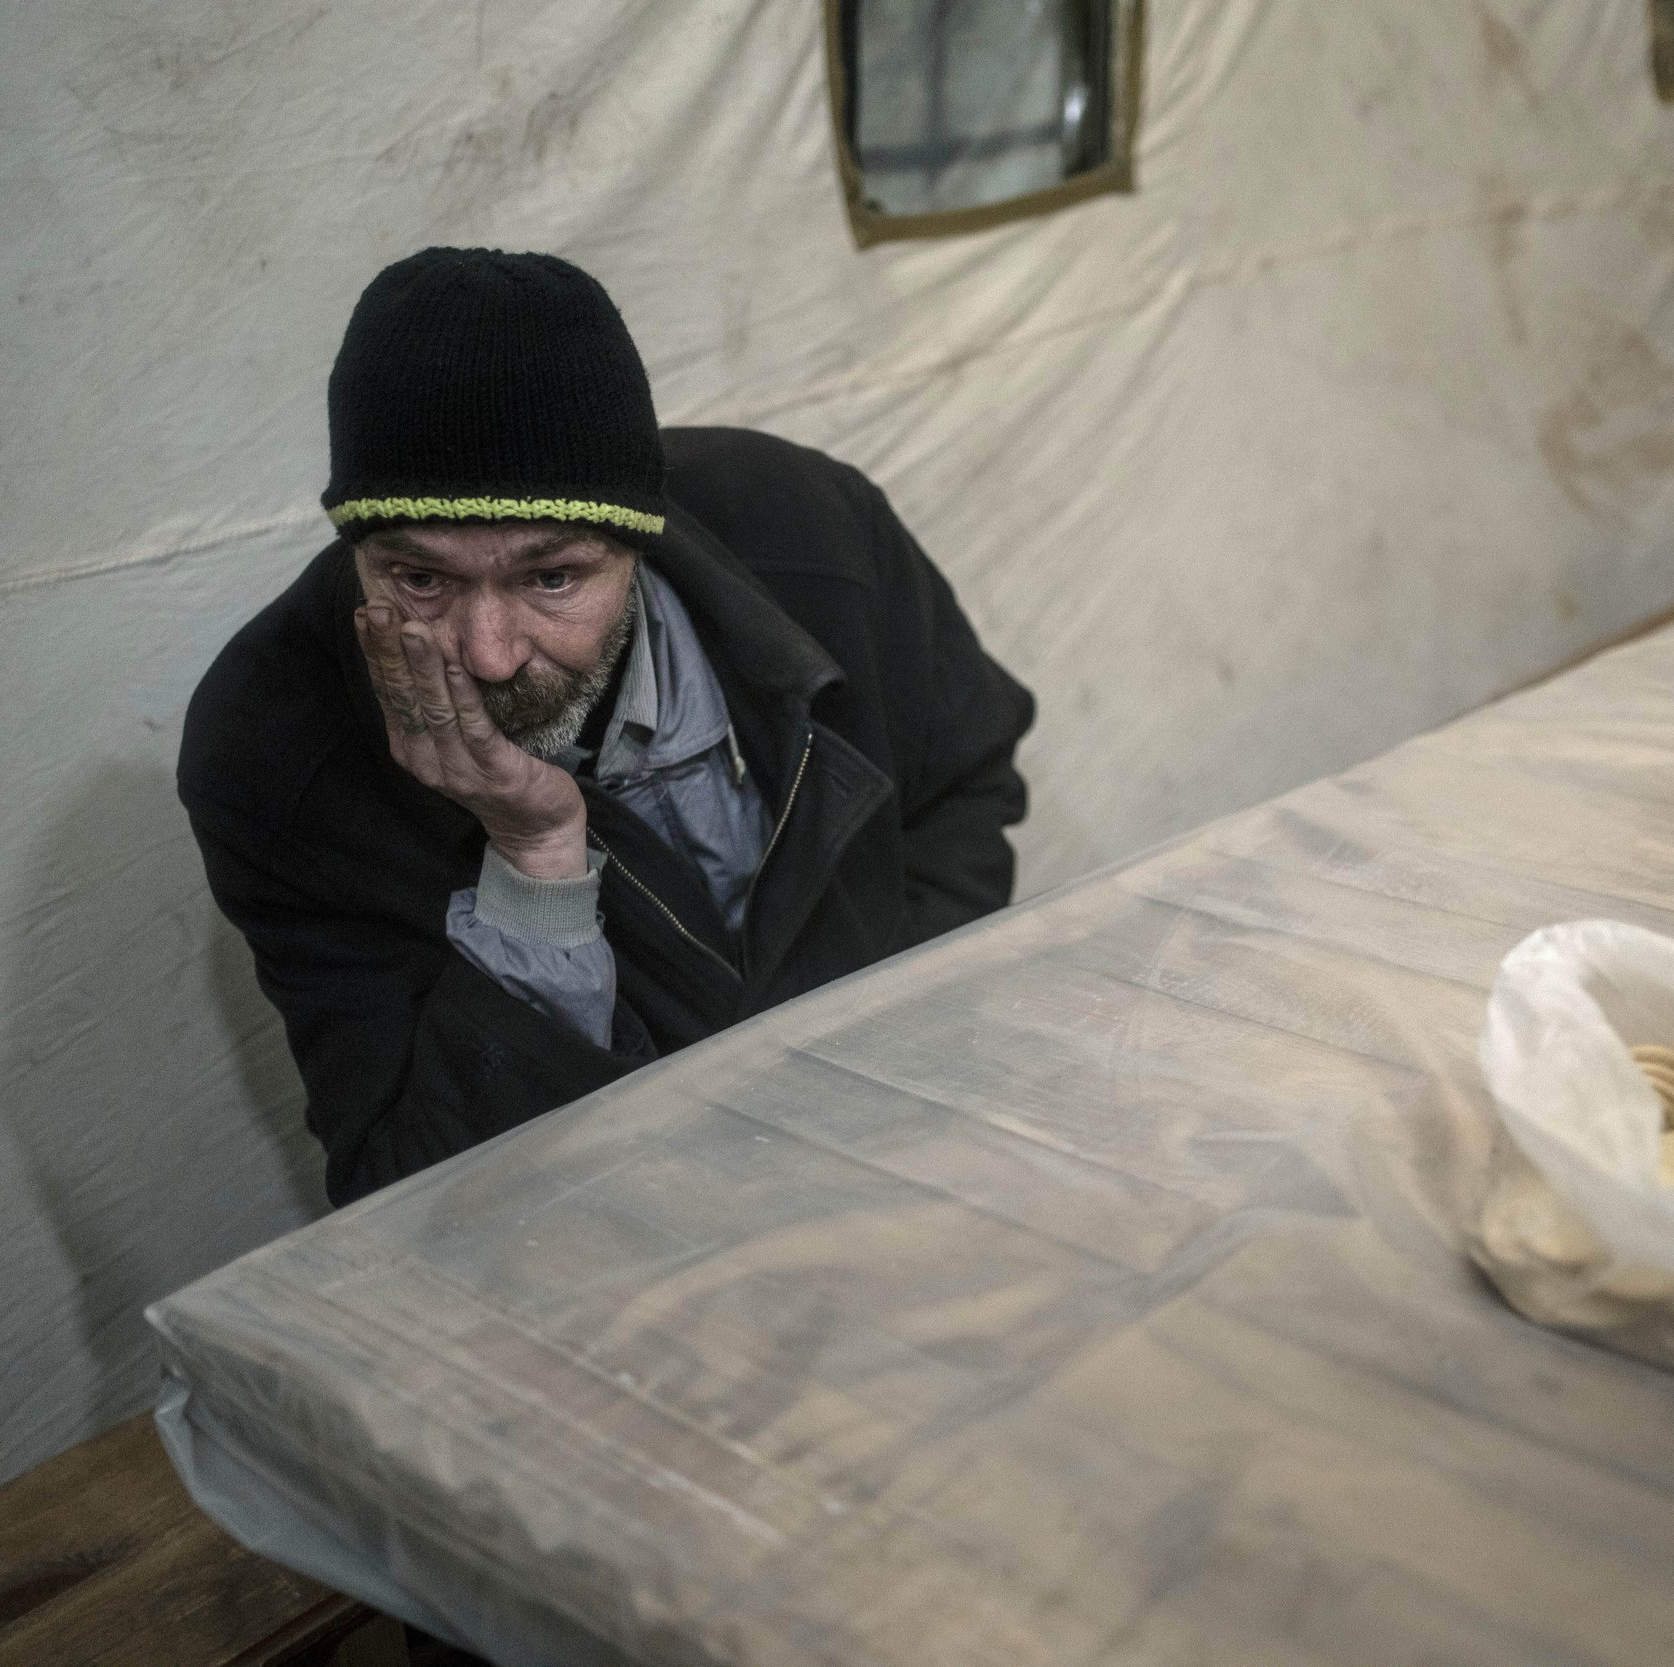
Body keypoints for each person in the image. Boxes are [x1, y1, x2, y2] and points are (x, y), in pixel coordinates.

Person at [181, 247, 1035, 1208]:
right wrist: (534, 857)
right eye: (421, 580)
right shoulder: (275, 750)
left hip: (900, 1155)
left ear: (639, 542)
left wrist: (879, 1058)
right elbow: (419, 1196)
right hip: (620, 1254)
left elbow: (965, 784)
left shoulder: (815, 536)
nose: (490, 652)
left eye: (551, 578)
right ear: (359, 555)